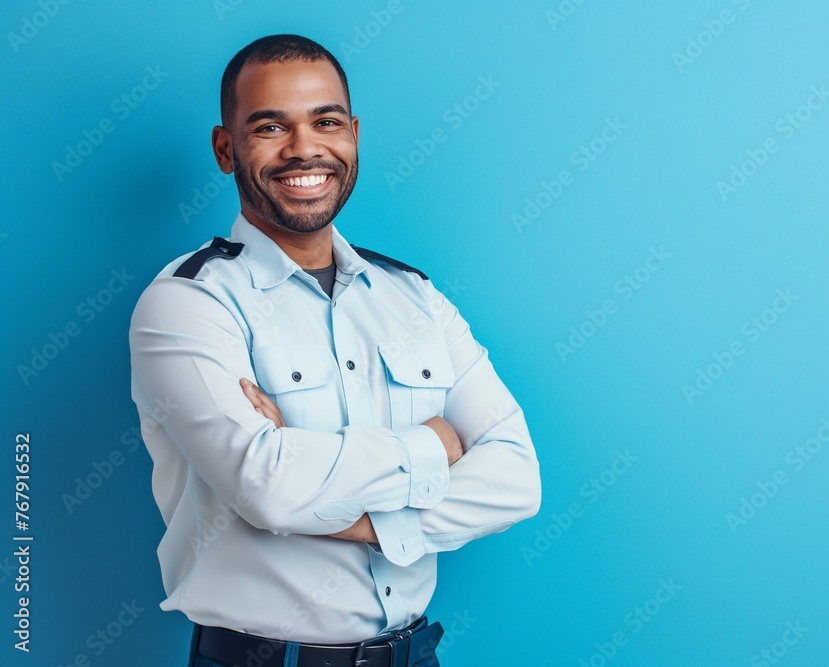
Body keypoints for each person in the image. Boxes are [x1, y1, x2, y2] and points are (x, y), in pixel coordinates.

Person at [129, 34, 541, 667]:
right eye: (270, 126)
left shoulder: (416, 298)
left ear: (352, 134)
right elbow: (266, 488)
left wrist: (351, 514)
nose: (304, 149)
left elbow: (516, 479)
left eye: (325, 122)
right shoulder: (187, 304)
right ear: (225, 149)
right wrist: (434, 445)